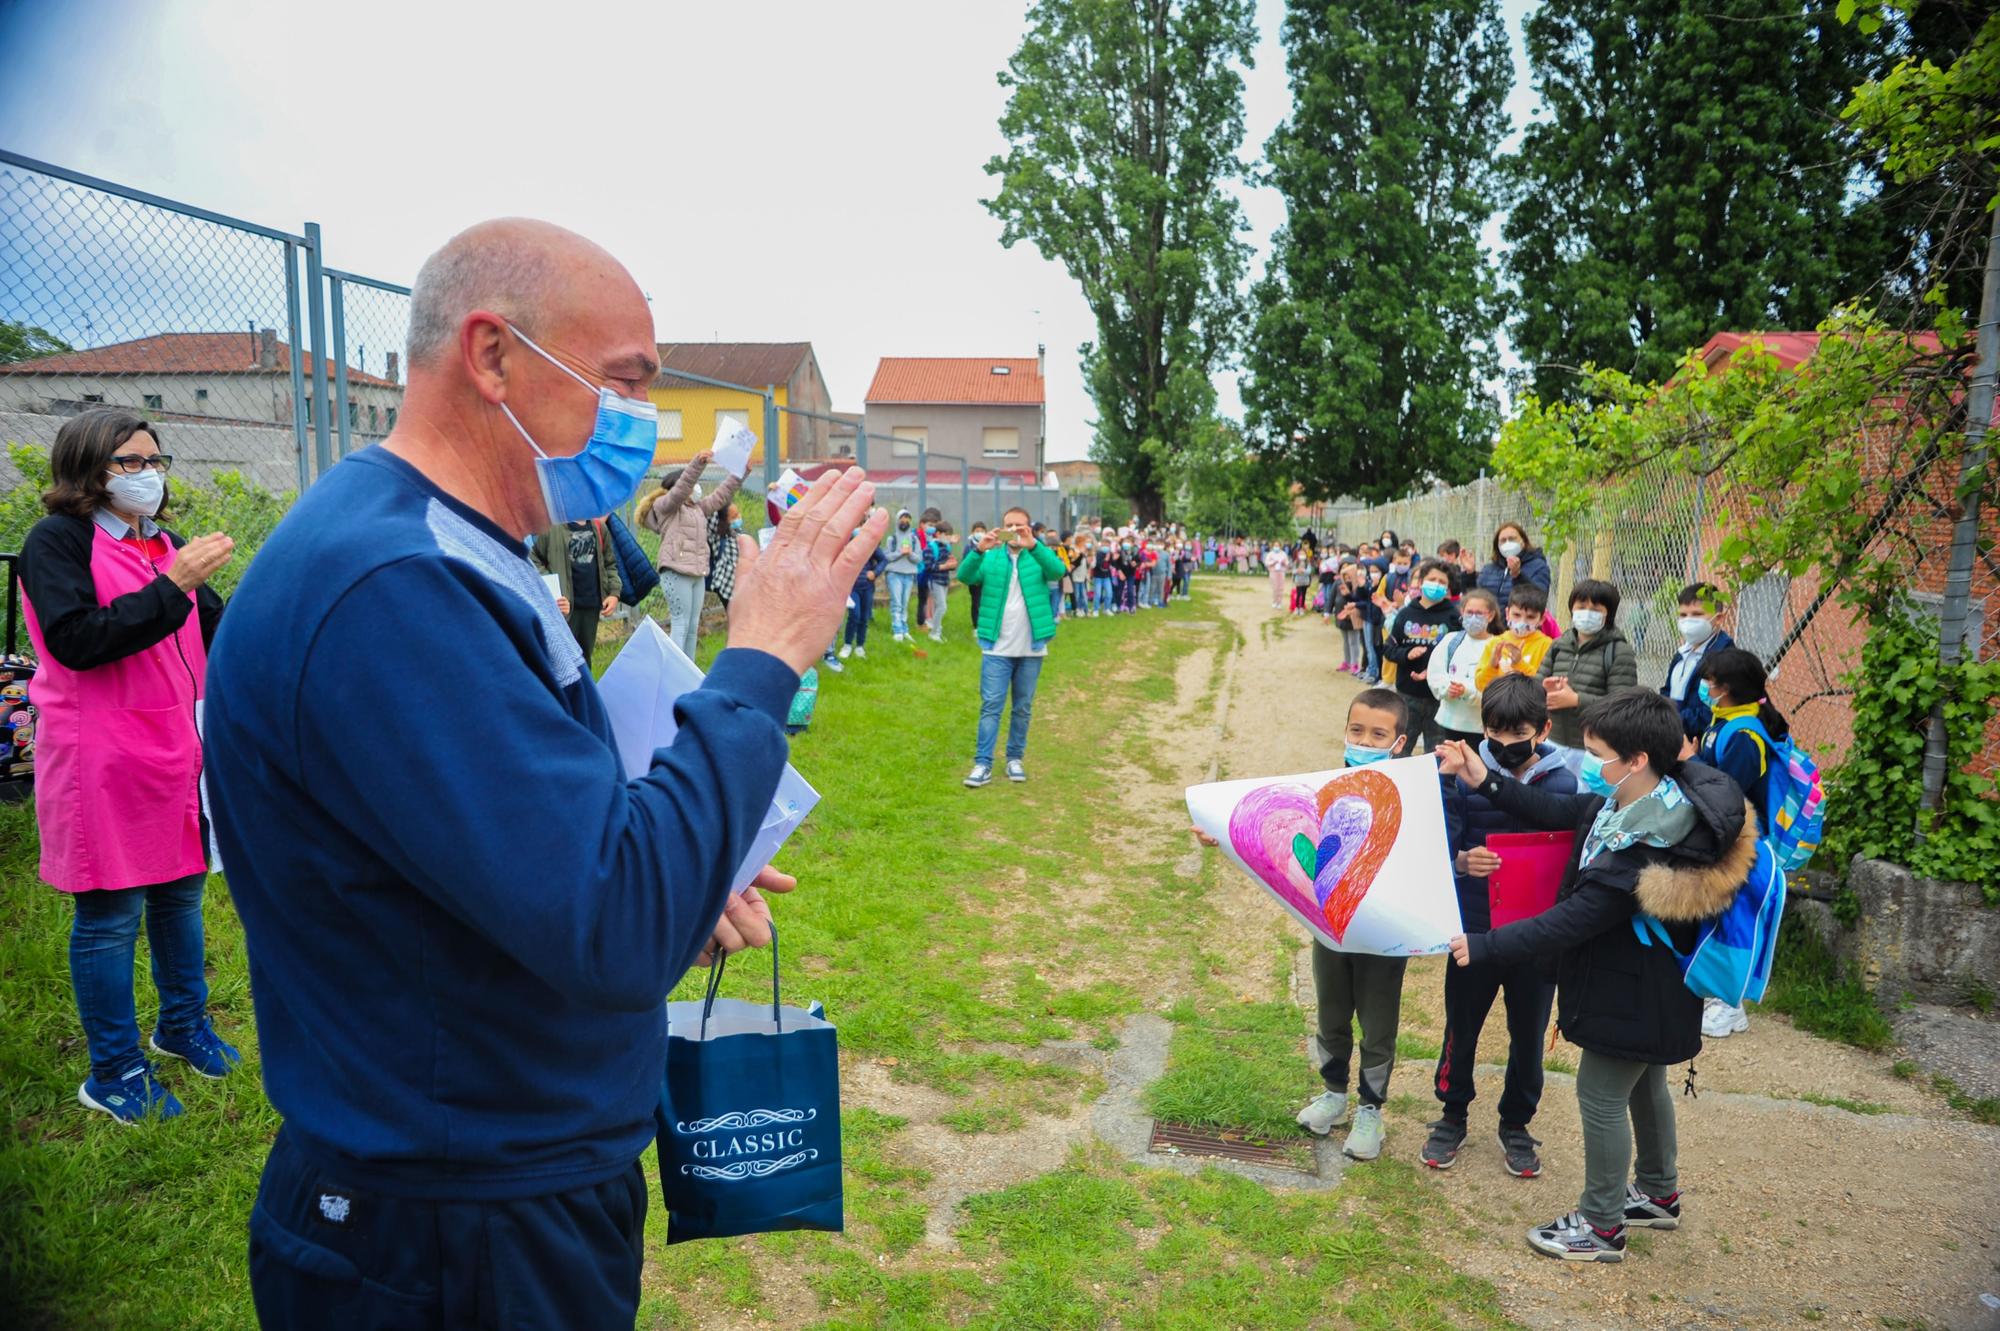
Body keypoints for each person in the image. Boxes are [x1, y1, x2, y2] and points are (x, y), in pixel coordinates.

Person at [202, 218, 889, 1328]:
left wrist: (680, 877)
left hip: (499, 1189)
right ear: (491, 357)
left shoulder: (461, 545)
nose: (642, 420)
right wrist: (760, 659)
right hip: (446, 1232)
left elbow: (527, 851)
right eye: (622, 381)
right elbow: (608, 914)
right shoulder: (388, 583)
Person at [1441, 691, 1756, 1263]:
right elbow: (1560, 813)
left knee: (1601, 1095)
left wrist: (1486, 944)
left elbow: (1568, 922)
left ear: (1636, 759)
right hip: (1655, 988)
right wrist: (1485, 779)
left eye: (1597, 753)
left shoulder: (1642, 849)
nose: (1588, 763)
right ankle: (1659, 1192)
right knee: (1646, 1084)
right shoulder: (1644, 803)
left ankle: (1602, 1225)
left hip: (1632, 992)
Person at [17, 408, 241, 1124]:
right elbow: (78, 639)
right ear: (87, 468)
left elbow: (218, 629)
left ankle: (182, 1025)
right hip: (102, 758)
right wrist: (173, 583)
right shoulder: (57, 542)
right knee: (112, 916)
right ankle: (112, 1069)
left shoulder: (161, 544)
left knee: (180, 898)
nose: (148, 474)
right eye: (129, 462)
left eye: (153, 459)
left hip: (177, 752)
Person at [1427, 673, 1576, 1176]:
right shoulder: (1457, 774)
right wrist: (1460, 864)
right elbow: (1439, 846)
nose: (1507, 745)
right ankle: (1452, 1114)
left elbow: (1566, 857)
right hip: (1473, 927)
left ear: (1544, 728)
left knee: (1528, 1034)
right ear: (1482, 727)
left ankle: (1516, 1124)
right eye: (1496, 734)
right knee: (1461, 1024)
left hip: (1536, 935)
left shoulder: (1563, 781)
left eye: (1519, 735)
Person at [1292, 688, 1413, 1162]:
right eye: (1357, 730)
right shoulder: (1326, 788)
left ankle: (1371, 1110)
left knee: (1378, 1022)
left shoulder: (1412, 794)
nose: (1365, 739)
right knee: (1331, 1011)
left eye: (1378, 734)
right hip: (1332, 928)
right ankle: (1334, 1095)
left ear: (1398, 742)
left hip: (1383, 936)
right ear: (1345, 730)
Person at [1694, 646, 1791, 1040]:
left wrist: (1692, 763)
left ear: (1727, 688)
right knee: (1715, 914)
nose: (1704, 687)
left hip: (1744, 841)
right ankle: (1718, 994)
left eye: (1709, 682)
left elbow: (1729, 791)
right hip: (1725, 835)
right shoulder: (1723, 720)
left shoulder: (1747, 734)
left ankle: (1730, 1005)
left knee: (1734, 918)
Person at [959, 506, 1066, 787]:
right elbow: (965, 576)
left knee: (1022, 707)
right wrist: (979, 550)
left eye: (1020, 526)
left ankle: (1014, 758)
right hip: (997, 647)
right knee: (991, 706)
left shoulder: (1037, 556)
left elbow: (1058, 571)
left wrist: (1035, 545)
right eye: (1010, 525)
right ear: (1002, 528)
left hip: (1031, 648)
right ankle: (982, 764)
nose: (1015, 530)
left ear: (1029, 528)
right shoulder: (992, 556)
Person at [637, 449, 741, 661]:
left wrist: (740, 473)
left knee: (692, 627)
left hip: (697, 574)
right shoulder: (665, 506)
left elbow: (721, 496)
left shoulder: (697, 509)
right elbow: (681, 490)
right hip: (676, 572)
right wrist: (697, 464)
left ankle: (688, 675)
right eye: (692, 484)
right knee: (681, 624)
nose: (696, 488)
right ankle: (673, 673)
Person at [1538, 579, 1639, 749]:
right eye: (1581, 607)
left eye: (1595, 610)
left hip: (1592, 747)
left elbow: (1623, 704)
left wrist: (1576, 700)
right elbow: (1537, 682)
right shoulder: (1558, 645)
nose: (1586, 613)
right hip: (1552, 740)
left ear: (1608, 614)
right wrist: (1543, 689)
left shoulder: (1618, 651)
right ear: (1572, 609)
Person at [1381, 559, 1461, 752]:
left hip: (1440, 697)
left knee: (1437, 754)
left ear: (1448, 587)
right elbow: (1389, 649)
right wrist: (1407, 654)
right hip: (1408, 695)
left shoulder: (1454, 616)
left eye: (1442, 582)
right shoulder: (1406, 614)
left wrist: (1435, 671)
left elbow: (1459, 655)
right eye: (1432, 579)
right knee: (1400, 748)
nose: (1437, 584)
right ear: (1422, 581)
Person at [531, 513, 621, 662]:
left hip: (591, 607)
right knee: (563, 659)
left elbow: (609, 564)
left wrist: (613, 593)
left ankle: (585, 685)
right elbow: (534, 559)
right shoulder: (553, 529)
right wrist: (554, 592)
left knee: (585, 658)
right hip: (565, 610)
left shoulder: (599, 528)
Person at [1663, 583, 1736, 739]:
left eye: (1697, 614)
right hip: (1672, 736)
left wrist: (1665, 723)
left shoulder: (1725, 658)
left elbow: (1710, 712)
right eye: (1683, 615)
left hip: (1700, 745)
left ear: (1719, 618)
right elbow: (1667, 691)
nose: (1688, 621)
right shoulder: (1682, 653)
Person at [1431, 586, 1500, 745]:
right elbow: (1435, 673)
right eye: (1469, 612)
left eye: (1479, 613)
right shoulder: (1451, 640)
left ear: (1490, 616)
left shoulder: (1496, 645)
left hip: (1480, 727)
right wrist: (1447, 688)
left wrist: (1468, 691)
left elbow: (1498, 685)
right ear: (1462, 612)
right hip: (1448, 723)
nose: (1473, 617)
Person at [1478, 584, 1555, 692]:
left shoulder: (1547, 645)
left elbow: (1543, 686)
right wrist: (1492, 666)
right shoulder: (1495, 643)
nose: (1522, 622)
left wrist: (1519, 663)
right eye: (1517, 615)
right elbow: (1480, 685)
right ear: (1507, 614)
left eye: (1530, 617)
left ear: (1541, 619)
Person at [1477, 521, 1554, 611]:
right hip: (1491, 623)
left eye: (1512, 539)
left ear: (1523, 541)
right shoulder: (1488, 570)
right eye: (1503, 540)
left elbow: (1539, 600)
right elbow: (1475, 596)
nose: (1507, 543)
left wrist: (1518, 576)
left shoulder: (1538, 566)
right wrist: (1469, 574)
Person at [840, 537, 887, 660]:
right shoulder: (848, 543)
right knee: (854, 615)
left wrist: (875, 572)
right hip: (852, 587)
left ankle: (860, 646)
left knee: (864, 617)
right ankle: (847, 644)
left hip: (867, 587)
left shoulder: (870, 544)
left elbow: (883, 560)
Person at [883, 507, 922, 641]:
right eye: (902, 518)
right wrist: (900, 553)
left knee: (905, 603)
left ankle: (905, 629)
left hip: (909, 575)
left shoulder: (914, 539)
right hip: (894, 574)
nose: (905, 520)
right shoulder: (891, 539)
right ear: (897, 520)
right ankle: (897, 629)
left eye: (907, 518)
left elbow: (918, 558)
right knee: (897, 602)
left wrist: (910, 553)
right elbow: (887, 556)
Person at [927, 520, 959, 641]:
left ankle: (938, 632)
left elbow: (949, 562)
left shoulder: (947, 546)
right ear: (938, 533)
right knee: (942, 607)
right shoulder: (931, 547)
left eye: (949, 535)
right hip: (935, 581)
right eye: (946, 535)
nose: (948, 537)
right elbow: (929, 566)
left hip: (945, 580)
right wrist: (945, 566)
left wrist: (952, 565)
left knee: (939, 607)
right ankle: (934, 633)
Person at [963, 521, 990, 625]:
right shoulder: (969, 547)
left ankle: (986, 623)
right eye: (977, 531)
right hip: (975, 580)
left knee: (986, 601)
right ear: (972, 532)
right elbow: (967, 563)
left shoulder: (990, 545)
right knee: (976, 602)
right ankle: (976, 625)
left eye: (982, 531)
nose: (980, 533)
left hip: (987, 577)